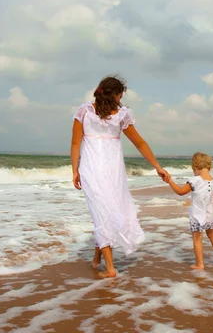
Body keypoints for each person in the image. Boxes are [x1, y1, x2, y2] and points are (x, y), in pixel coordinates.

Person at [71, 75, 170, 278]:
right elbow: (140, 143)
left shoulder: (116, 115)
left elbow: (75, 144)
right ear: (114, 95)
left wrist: (75, 169)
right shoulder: (87, 112)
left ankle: (107, 267)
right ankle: (103, 262)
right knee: (103, 212)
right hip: (100, 169)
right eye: (119, 95)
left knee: (105, 212)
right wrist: (157, 166)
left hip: (100, 170)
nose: (120, 99)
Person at [165, 152, 213, 269]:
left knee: (197, 238)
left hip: (198, 215)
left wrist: (170, 182)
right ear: (209, 167)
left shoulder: (195, 180)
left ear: (195, 168)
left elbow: (181, 191)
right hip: (211, 215)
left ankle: (200, 264)